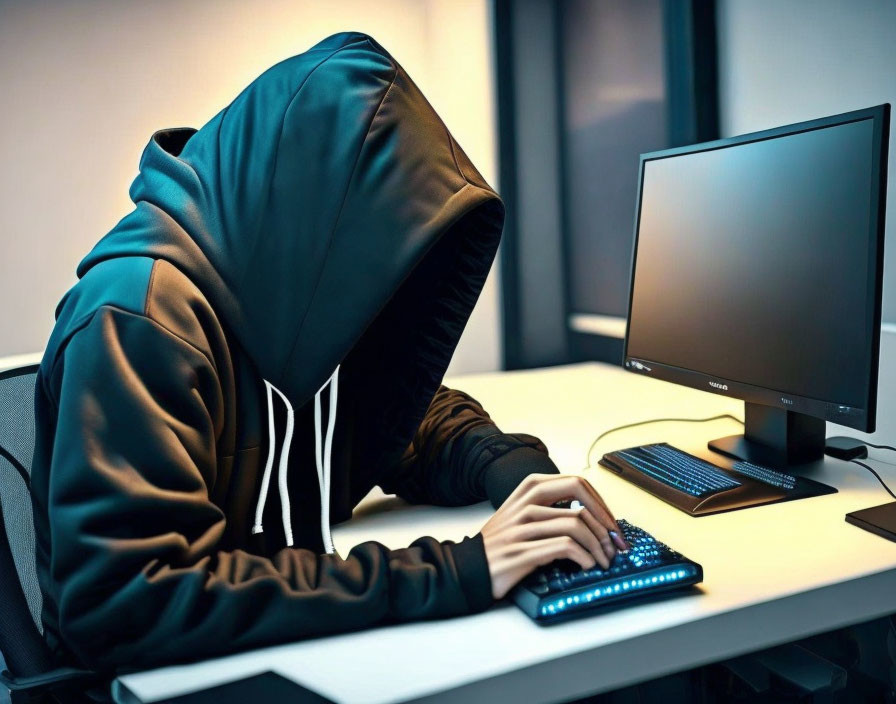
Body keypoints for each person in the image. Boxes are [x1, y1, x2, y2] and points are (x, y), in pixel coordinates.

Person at [31, 32, 625, 673]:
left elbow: (400, 415)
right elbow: (130, 602)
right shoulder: (138, 318)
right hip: (166, 681)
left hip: (267, 646)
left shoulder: (281, 291)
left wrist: (508, 472)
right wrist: (461, 569)